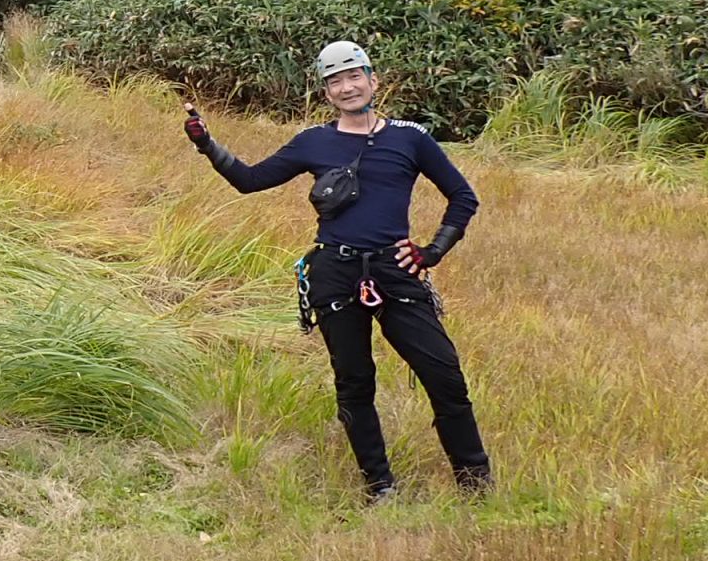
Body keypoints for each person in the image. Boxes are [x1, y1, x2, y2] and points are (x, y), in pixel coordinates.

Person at [183, 40, 492, 499]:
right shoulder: (314, 141)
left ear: (373, 80)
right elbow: (250, 181)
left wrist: (431, 252)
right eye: (335, 82)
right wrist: (206, 143)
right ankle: (379, 485)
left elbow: (463, 197)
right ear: (327, 92)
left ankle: (475, 484)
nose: (346, 88)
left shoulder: (410, 137)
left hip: (395, 270)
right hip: (334, 272)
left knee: (444, 374)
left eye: (353, 77)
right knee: (354, 380)